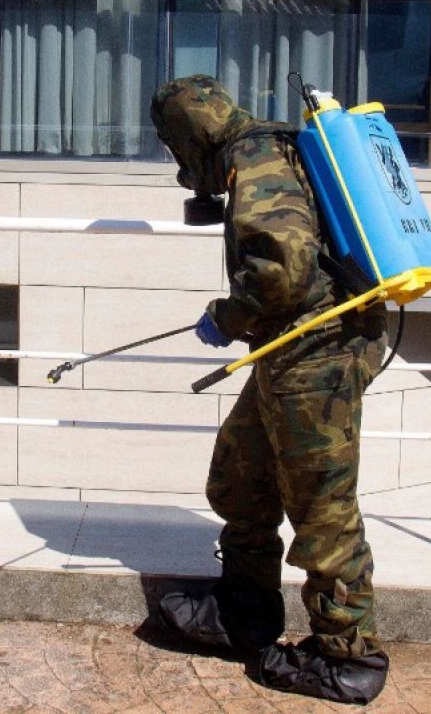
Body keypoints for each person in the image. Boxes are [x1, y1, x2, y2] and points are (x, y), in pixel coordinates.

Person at [149, 75, 391, 706]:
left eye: (176, 147)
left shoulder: (253, 160)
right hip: (289, 353)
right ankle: (244, 612)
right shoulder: (271, 146)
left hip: (318, 358)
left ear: (191, 137)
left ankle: (348, 656)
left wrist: (228, 315)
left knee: (323, 510)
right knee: (240, 475)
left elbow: (283, 270)